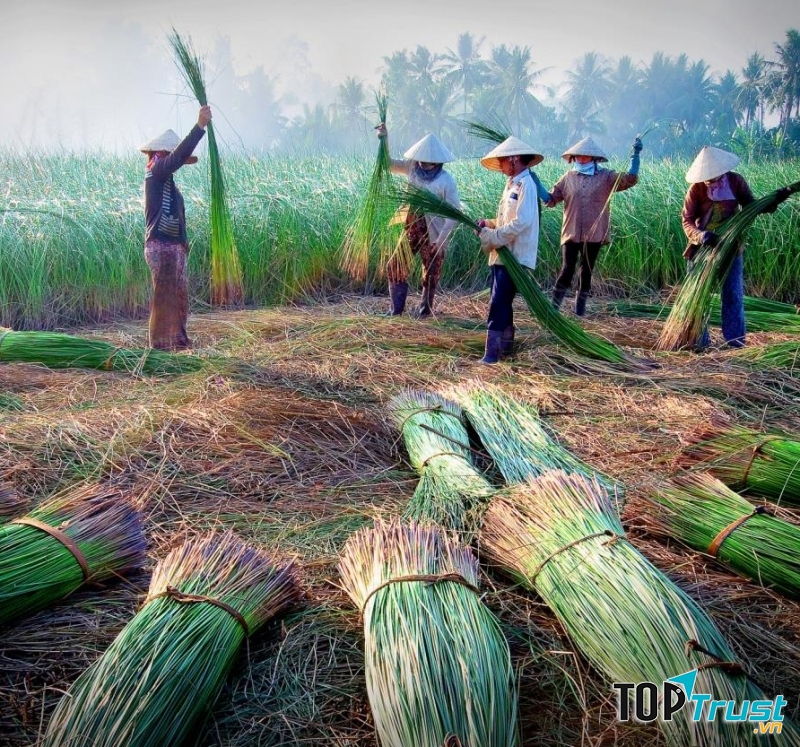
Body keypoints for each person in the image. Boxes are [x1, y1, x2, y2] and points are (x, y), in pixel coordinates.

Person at [139, 105, 211, 351]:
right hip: (161, 245)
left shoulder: (166, 182)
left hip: (173, 247)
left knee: (179, 296)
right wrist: (199, 127)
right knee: (165, 298)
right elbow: (179, 156)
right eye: (167, 155)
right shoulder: (155, 172)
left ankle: (178, 343)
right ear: (159, 154)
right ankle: (159, 348)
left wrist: (183, 244)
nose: (170, 160)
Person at [546, 135, 643, 316]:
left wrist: (635, 156)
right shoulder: (568, 177)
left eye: (586, 156)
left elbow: (630, 179)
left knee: (587, 270)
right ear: (573, 158)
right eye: (579, 156)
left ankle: (579, 312)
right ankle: (553, 310)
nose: (582, 159)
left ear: (594, 158)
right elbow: (552, 199)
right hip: (571, 231)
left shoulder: (606, 177)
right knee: (567, 269)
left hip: (595, 233)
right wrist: (536, 187)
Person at [377, 125, 460, 317]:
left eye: (428, 163)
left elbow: (454, 214)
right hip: (412, 226)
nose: (423, 165)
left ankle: (425, 310)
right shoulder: (412, 168)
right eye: (421, 161)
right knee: (396, 263)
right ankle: (395, 310)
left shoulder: (446, 181)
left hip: (434, 232)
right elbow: (388, 164)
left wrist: (441, 241)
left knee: (431, 271)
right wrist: (384, 139)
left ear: (437, 162)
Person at [477, 136, 544, 364]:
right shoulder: (511, 185)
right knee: (502, 301)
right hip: (502, 255)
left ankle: (491, 355)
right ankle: (506, 347)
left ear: (514, 159)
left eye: (504, 161)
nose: (502, 166)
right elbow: (506, 219)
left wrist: (495, 237)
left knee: (498, 302)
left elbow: (521, 222)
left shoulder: (527, 185)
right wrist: (489, 224)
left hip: (515, 256)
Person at [681, 145, 754, 348]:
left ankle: (735, 342)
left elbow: (752, 207)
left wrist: (772, 202)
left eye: (713, 175)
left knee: (732, 294)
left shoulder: (735, 181)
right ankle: (699, 342)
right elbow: (686, 219)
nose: (710, 179)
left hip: (731, 248)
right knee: (698, 295)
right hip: (703, 250)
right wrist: (701, 235)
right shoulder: (696, 188)